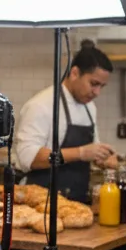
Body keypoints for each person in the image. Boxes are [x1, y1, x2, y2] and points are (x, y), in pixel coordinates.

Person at [14, 41, 118, 204]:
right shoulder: (41, 105)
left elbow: (92, 149)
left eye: (102, 86)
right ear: (75, 73)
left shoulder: (89, 107)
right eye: (94, 84)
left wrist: (102, 158)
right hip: (40, 204)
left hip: (76, 202)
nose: (97, 92)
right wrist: (81, 153)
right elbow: (28, 157)